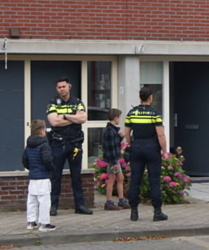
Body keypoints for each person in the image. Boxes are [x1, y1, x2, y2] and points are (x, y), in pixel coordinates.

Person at [47, 77, 93, 216]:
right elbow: (54, 122)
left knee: (76, 176)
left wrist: (64, 116)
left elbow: (83, 119)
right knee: (55, 176)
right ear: (57, 89)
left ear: (69, 86)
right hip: (58, 143)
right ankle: (53, 206)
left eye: (64, 86)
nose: (62, 89)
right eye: (59, 87)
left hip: (75, 143)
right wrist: (73, 118)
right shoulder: (53, 102)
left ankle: (79, 205)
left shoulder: (78, 102)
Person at [124, 86, 168, 222]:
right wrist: (164, 151)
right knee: (154, 181)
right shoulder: (154, 114)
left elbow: (126, 133)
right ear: (151, 97)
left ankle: (134, 212)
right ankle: (157, 212)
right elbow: (160, 134)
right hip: (151, 147)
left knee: (135, 180)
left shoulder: (132, 113)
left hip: (137, 147)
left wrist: (131, 144)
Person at [22, 119, 56, 232]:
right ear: (42, 131)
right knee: (44, 200)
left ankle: (31, 222)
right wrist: (51, 169)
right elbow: (47, 160)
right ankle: (44, 223)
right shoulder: (44, 144)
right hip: (43, 176)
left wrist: (32, 169)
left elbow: (25, 161)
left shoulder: (28, 145)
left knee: (32, 199)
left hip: (33, 176)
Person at [101, 107, 129, 211]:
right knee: (112, 179)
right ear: (116, 118)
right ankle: (109, 201)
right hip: (113, 159)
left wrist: (120, 137)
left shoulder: (113, 130)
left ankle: (121, 200)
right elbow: (110, 147)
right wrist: (113, 162)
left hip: (115, 158)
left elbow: (114, 143)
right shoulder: (110, 131)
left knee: (120, 178)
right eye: (120, 118)